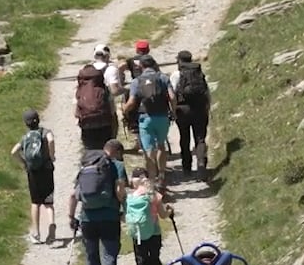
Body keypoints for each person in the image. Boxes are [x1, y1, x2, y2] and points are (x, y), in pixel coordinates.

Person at [67, 139, 131, 265]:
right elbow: (119, 191)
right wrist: (123, 206)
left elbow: (73, 195)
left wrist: (71, 216)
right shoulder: (116, 166)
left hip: (87, 217)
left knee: (91, 253)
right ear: (116, 151)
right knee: (109, 254)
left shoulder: (85, 166)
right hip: (109, 216)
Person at [124, 54, 173, 189]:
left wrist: (124, 110)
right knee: (161, 146)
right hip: (162, 116)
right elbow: (172, 97)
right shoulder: (163, 78)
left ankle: (152, 180)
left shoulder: (136, 81)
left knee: (148, 150)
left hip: (145, 118)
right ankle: (162, 176)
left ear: (141, 66)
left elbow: (132, 102)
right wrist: (173, 111)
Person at [124, 168, 170, 265]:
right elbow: (162, 215)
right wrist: (169, 211)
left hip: (137, 234)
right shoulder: (153, 195)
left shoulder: (131, 197)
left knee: (142, 262)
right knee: (154, 259)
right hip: (154, 232)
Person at [10, 110, 57, 244]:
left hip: (33, 172)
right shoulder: (45, 132)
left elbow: (13, 152)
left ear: (26, 123)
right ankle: (52, 226)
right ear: (38, 119)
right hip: (47, 169)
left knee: (35, 202)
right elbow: (51, 140)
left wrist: (24, 163)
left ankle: (36, 233)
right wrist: (52, 156)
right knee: (49, 201)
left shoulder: (25, 137)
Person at [172, 49, 211, 177]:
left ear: (179, 60)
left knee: (184, 137)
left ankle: (186, 167)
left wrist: (172, 110)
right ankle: (201, 163)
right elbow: (206, 92)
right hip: (199, 109)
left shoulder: (177, 74)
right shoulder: (198, 72)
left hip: (182, 110)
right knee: (200, 138)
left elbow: (172, 94)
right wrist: (207, 107)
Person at [75, 56, 117, 150]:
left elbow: (76, 113)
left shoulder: (80, 91)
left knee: (90, 150)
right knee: (105, 150)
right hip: (105, 124)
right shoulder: (104, 89)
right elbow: (112, 111)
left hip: (87, 125)